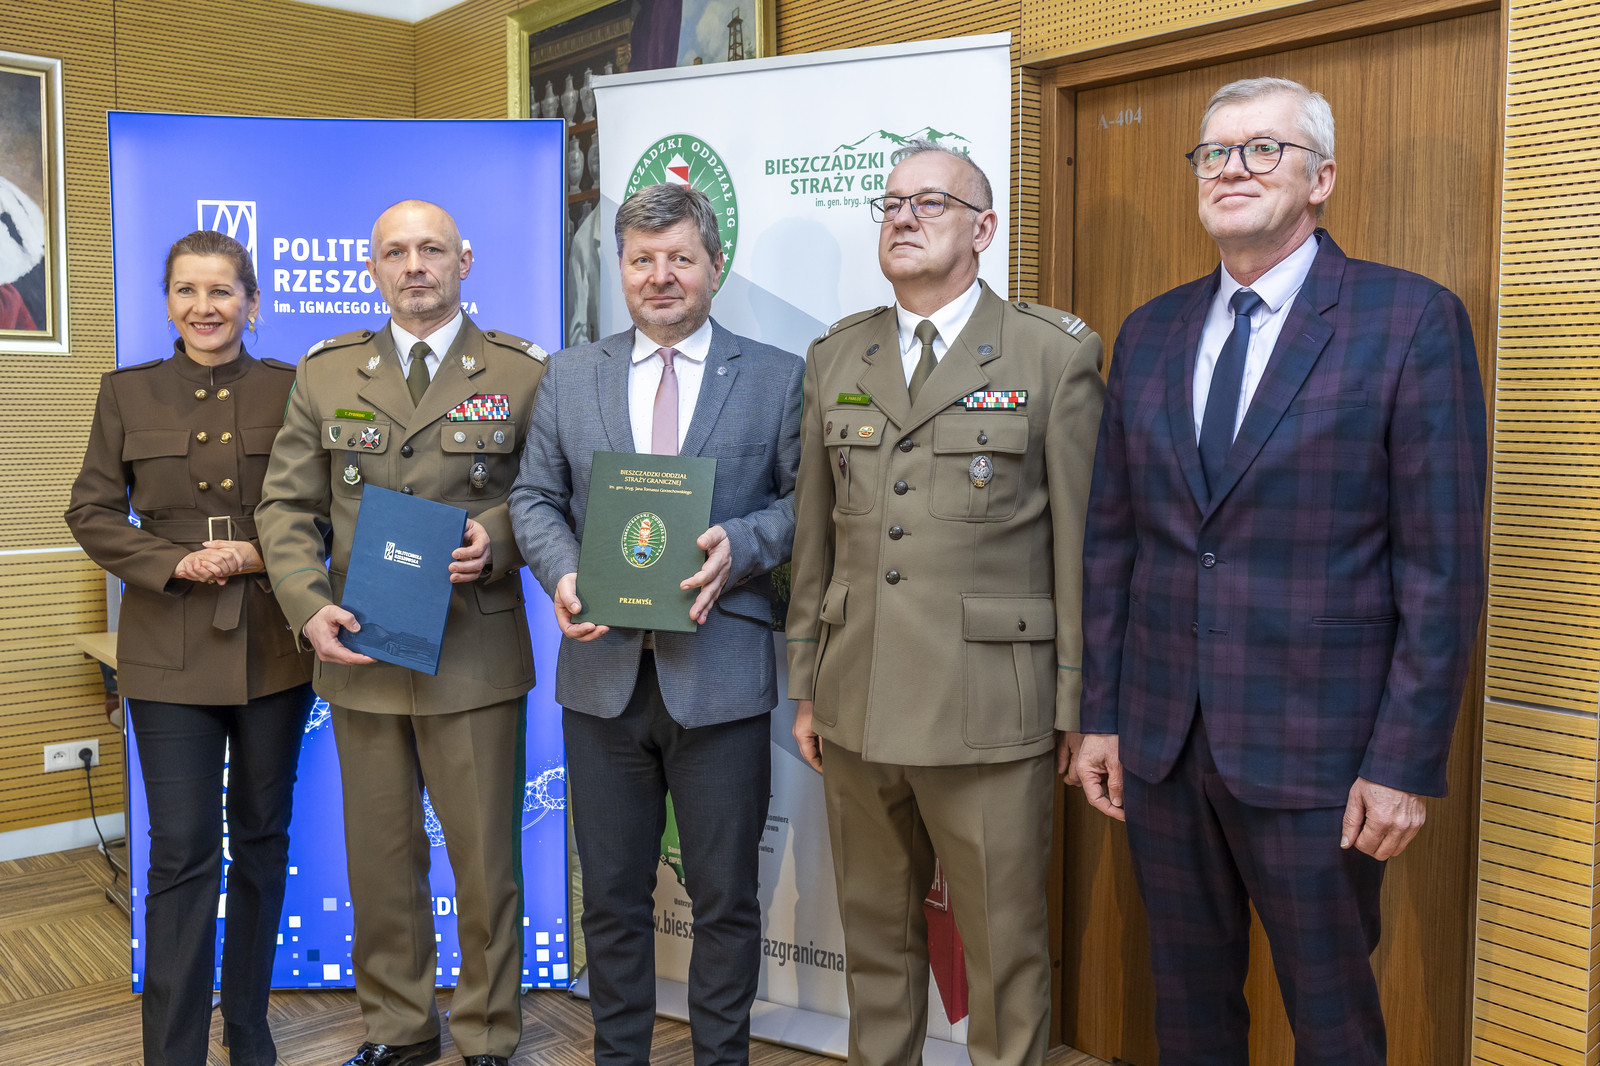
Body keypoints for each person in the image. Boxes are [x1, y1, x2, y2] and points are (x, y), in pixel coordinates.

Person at [1073, 77, 1487, 1064]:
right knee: (1187, 1011)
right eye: (1213, 152)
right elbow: (1114, 542)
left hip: (1322, 754)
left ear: (1321, 179)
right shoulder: (1150, 331)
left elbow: (1440, 569)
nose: (1231, 169)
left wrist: (1402, 763)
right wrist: (1103, 713)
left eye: (1262, 149)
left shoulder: (1408, 320)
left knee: (1333, 1020)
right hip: (1164, 742)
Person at [786, 140, 1105, 1066]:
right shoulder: (836, 355)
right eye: (891, 203)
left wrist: (1078, 705)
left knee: (1006, 951)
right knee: (875, 942)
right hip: (857, 698)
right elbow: (816, 538)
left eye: (930, 203)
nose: (904, 217)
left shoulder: (1052, 355)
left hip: (988, 706)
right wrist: (807, 682)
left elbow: (1083, 548)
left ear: (984, 228)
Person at [508, 182, 802, 1066]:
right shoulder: (571, 374)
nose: (660, 276)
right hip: (602, 680)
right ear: (620, 269)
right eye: (642, 260)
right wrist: (563, 574)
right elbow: (534, 498)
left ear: (716, 265)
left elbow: (807, 506)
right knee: (610, 901)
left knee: (725, 902)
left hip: (721, 679)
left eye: (680, 258)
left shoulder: (779, 376)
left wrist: (744, 543)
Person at [256, 200, 547, 1066]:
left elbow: (552, 492)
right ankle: (398, 1027)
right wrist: (307, 603)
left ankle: (488, 1033)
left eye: (430, 250)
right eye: (395, 252)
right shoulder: (327, 373)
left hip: (474, 650)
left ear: (465, 260)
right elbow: (286, 506)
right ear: (373, 268)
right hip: (363, 647)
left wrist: (495, 536)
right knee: (380, 860)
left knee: (485, 862)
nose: (413, 265)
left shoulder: (524, 372)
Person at [65, 229, 314, 1066]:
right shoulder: (126, 392)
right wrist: (172, 562)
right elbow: (91, 511)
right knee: (179, 851)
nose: (204, 308)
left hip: (274, 642)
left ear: (252, 301)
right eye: (187, 291)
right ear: (167, 301)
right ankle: (172, 1051)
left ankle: (248, 1028)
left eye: (221, 291)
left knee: (263, 839)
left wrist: (259, 553)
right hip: (165, 646)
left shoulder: (294, 388)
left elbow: (327, 508)